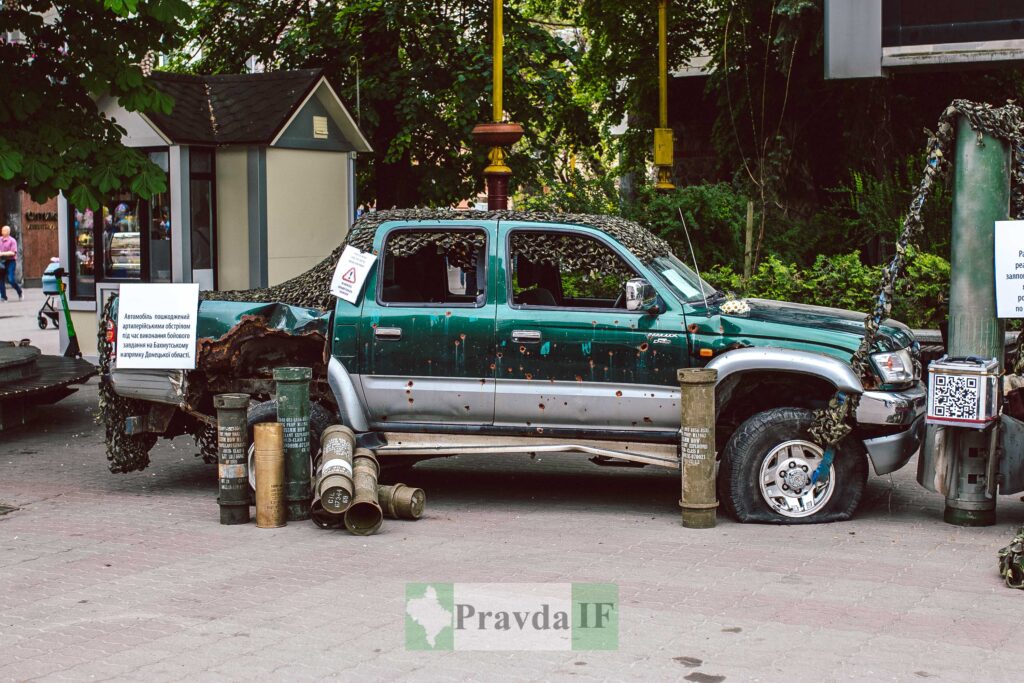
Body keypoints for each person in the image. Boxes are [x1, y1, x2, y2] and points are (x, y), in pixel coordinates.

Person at [0, 224, 23, 302]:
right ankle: (3, 297)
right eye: (2, 230)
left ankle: (19, 292)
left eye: (4, 230)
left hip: (10, 261)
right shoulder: (0, 240)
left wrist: (2, 253)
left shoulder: (12, 241)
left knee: (11, 279)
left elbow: (13, 253)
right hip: (1, 261)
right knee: (1, 279)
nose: (2, 231)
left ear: (8, 232)